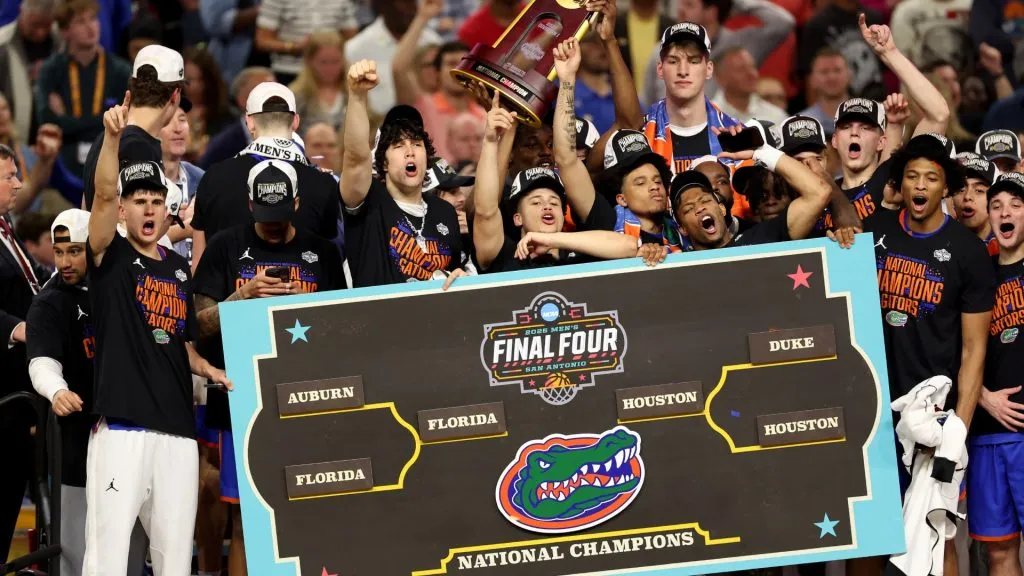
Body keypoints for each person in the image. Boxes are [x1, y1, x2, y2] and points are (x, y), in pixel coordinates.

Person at [82, 94, 230, 575]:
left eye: (155, 202)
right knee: (107, 554)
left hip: (177, 433)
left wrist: (207, 367)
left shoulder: (177, 268)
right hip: (123, 428)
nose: (148, 210)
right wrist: (110, 141)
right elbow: (102, 195)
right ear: (123, 210)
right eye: (138, 202)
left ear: (167, 209)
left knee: (172, 560)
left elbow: (175, 337)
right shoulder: (109, 256)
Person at [195, 158, 345, 576]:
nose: (274, 227)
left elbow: (343, 328)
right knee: (249, 518)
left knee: (309, 514)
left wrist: (305, 307)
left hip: (309, 400)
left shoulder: (323, 252)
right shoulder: (225, 247)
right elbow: (198, 324)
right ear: (249, 203)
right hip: (243, 404)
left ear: (297, 202)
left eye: (281, 216)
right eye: (265, 217)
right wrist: (242, 297)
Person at [25, 208, 148, 576]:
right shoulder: (49, 302)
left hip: (128, 432)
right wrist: (56, 390)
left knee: (130, 543)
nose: (64, 261)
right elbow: (41, 361)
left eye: (74, 251)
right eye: (59, 251)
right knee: (75, 553)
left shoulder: (123, 287)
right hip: (75, 440)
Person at [473, 94, 639, 273]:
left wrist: (552, 240)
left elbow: (628, 247)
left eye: (554, 202)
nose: (547, 206)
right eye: (536, 202)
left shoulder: (579, 254)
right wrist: (490, 140)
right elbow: (486, 211)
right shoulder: (504, 256)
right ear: (517, 218)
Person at [340, 60, 465, 287]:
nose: (410, 152)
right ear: (383, 163)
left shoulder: (444, 212)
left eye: (417, 144)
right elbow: (356, 157)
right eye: (398, 145)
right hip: (380, 319)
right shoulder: (370, 202)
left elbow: (455, 274)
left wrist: (460, 279)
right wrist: (357, 96)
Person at [191, 82, 341, 268]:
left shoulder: (213, 177)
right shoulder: (324, 183)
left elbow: (199, 264)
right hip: (299, 294)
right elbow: (328, 263)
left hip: (229, 295)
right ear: (295, 122)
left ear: (249, 122)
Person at [831, 15, 950, 222]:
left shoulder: (897, 181)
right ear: (834, 140)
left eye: (866, 127)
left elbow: (938, 114)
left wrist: (889, 53)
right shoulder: (821, 196)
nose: (854, 132)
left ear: (882, 141)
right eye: (846, 126)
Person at [968, 171, 1024, 576]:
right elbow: (954, 347)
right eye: (997, 205)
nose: (1005, 213)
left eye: (1016, 206)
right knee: (999, 550)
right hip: (986, 434)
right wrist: (982, 395)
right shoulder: (978, 275)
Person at [672, 121, 833, 249]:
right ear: (682, 229)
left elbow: (819, 192)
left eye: (705, 201)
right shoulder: (677, 269)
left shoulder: (759, 239)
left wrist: (760, 152)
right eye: (688, 209)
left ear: (721, 208)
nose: (699, 208)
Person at [80, 44, 190, 210]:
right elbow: (131, 231)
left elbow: (85, 208)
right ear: (175, 95)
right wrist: (186, 227)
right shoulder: (139, 148)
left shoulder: (106, 137)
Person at [34, 0, 130, 178]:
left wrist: (65, 120)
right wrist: (102, 120)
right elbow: (47, 122)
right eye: (80, 21)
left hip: (110, 162)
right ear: (64, 31)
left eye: (93, 19)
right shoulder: (51, 70)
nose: (90, 27)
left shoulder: (120, 70)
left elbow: (125, 123)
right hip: (62, 166)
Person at [0, 142, 39, 564]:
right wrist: (17, 327)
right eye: (9, 176)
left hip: (19, 392)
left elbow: (34, 283)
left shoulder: (5, 226)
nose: (18, 183)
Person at [643, 22, 741, 176]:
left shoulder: (736, 136)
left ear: (709, 70)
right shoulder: (640, 137)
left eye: (693, 61)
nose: (683, 71)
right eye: (673, 61)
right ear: (660, 69)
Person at [953, 152, 999, 255]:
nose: (967, 196)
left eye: (979, 190)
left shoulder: (1009, 246)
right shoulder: (939, 240)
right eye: (961, 189)